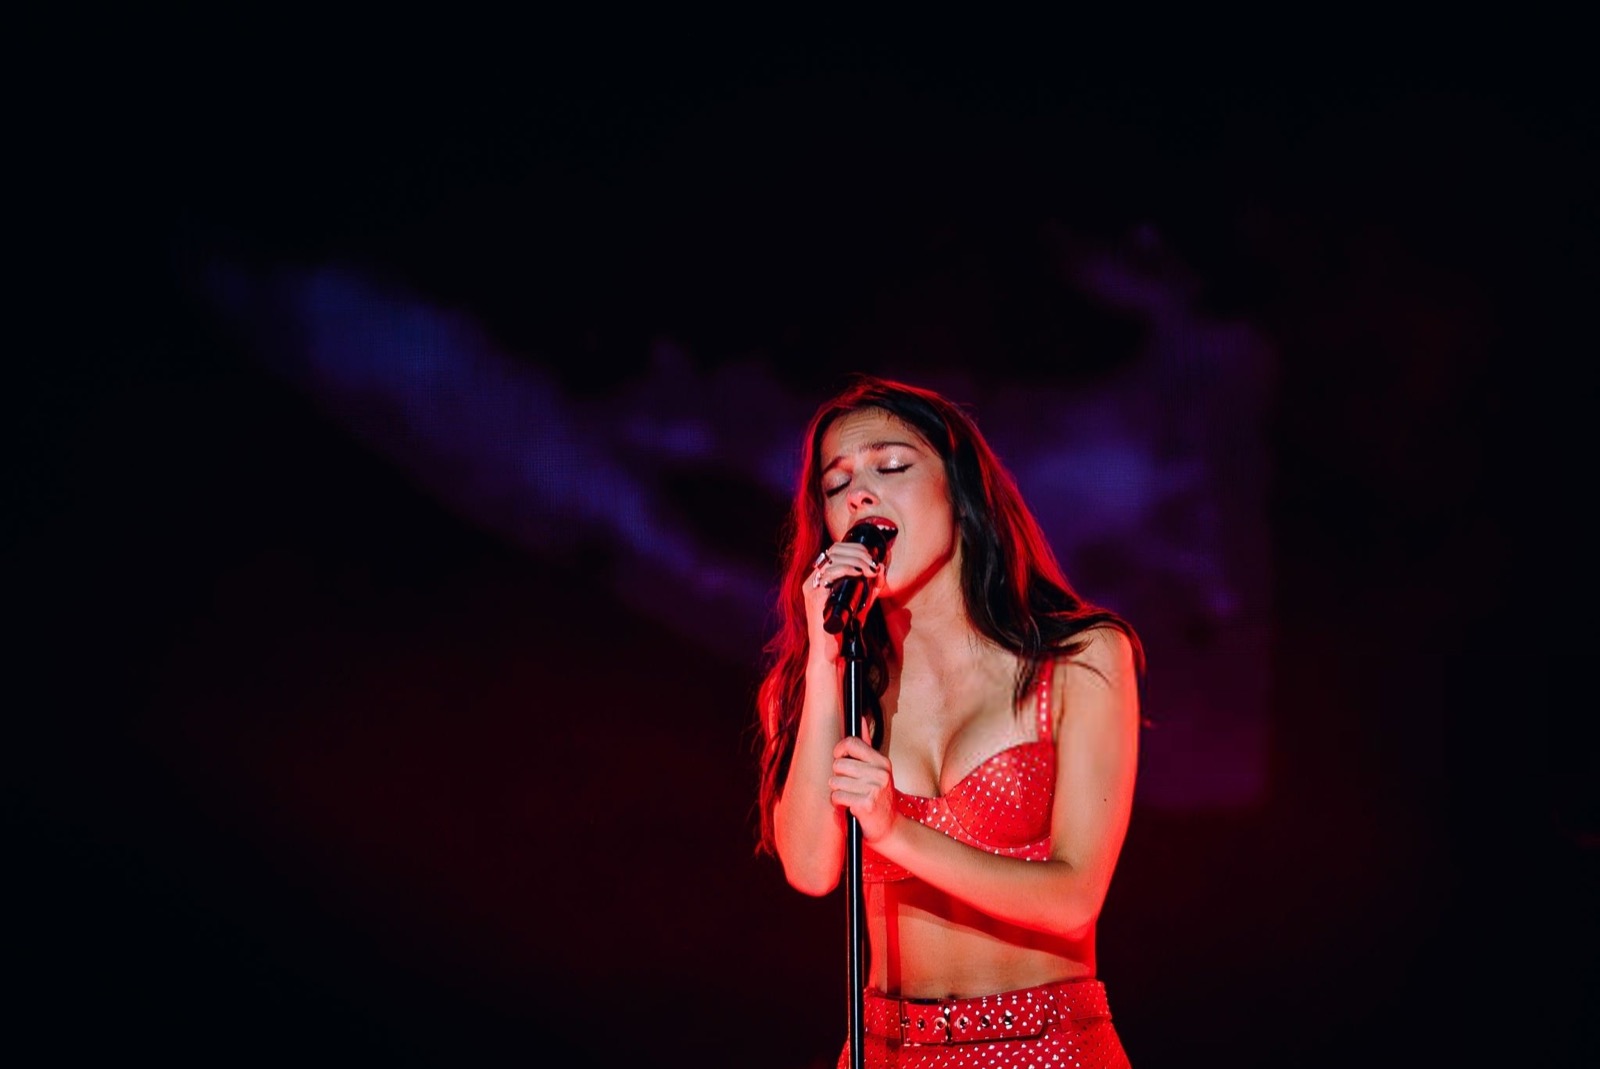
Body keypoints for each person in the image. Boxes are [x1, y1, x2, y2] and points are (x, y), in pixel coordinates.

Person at [754, 374, 1147, 1069]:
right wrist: (822, 658)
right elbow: (812, 869)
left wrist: (893, 830)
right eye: (837, 483)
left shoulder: (1082, 658)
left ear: (960, 492)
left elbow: (1074, 898)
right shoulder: (840, 682)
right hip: (889, 1050)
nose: (860, 494)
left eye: (891, 466)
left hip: (1047, 1047)